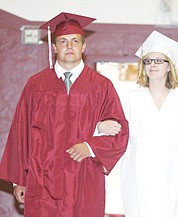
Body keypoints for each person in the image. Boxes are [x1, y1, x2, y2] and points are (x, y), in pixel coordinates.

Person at [0, 12, 129, 217]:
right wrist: (20, 179)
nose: (69, 47)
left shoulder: (101, 86)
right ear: (54, 47)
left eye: (75, 41)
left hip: (83, 176)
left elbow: (119, 130)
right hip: (43, 178)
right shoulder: (37, 84)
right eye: (63, 41)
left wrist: (90, 146)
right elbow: (20, 131)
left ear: (83, 47)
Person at [116, 30, 178, 217]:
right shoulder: (130, 99)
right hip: (138, 173)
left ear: (170, 66)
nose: (152, 65)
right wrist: (102, 127)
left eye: (159, 60)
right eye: (148, 61)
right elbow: (117, 134)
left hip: (173, 174)